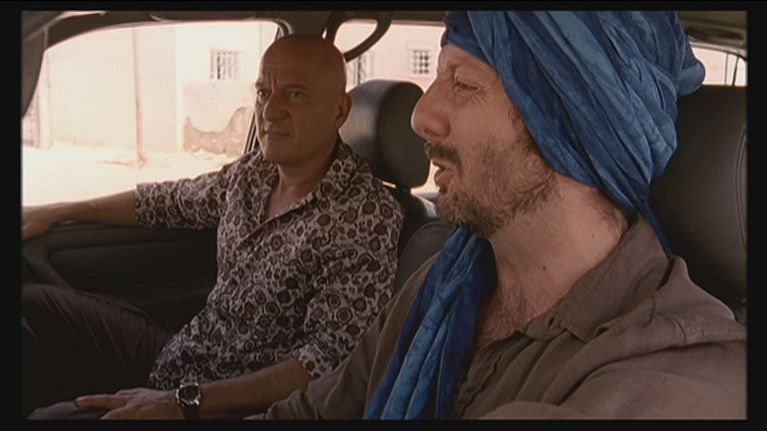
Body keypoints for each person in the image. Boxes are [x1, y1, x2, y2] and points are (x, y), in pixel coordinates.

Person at [263, 11, 746, 419]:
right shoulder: (441, 286)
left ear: (567, 130)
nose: (421, 115)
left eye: (464, 83)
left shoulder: (676, 374)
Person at [22, 34, 403, 419]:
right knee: (32, 303)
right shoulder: (254, 173)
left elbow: (324, 365)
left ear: (339, 111)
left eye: (295, 95)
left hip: (235, 404)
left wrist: (182, 402)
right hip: (180, 358)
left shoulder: (365, 215)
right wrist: (59, 211)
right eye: (263, 92)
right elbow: (167, 202)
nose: (270, 111)